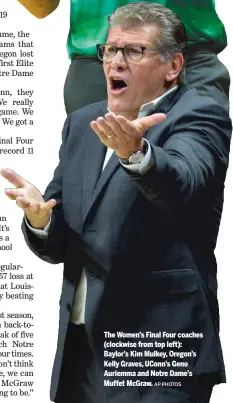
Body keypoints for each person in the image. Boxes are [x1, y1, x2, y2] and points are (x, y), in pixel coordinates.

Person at [1, 3, 232, 402]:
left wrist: (136, 155)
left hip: (155, 359)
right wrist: (40, 220)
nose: (115, 63)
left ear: (173, 66)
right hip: (81, 358)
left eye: (134, 51)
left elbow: (184, 183)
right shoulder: (82, 123)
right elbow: (62, 242)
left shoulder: (200, 114)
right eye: (110, 51)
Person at [18, 0, 230, 113]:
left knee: (194, 179)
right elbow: (41, 5)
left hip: (185, 61)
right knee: (95, 190)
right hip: (97, 71)